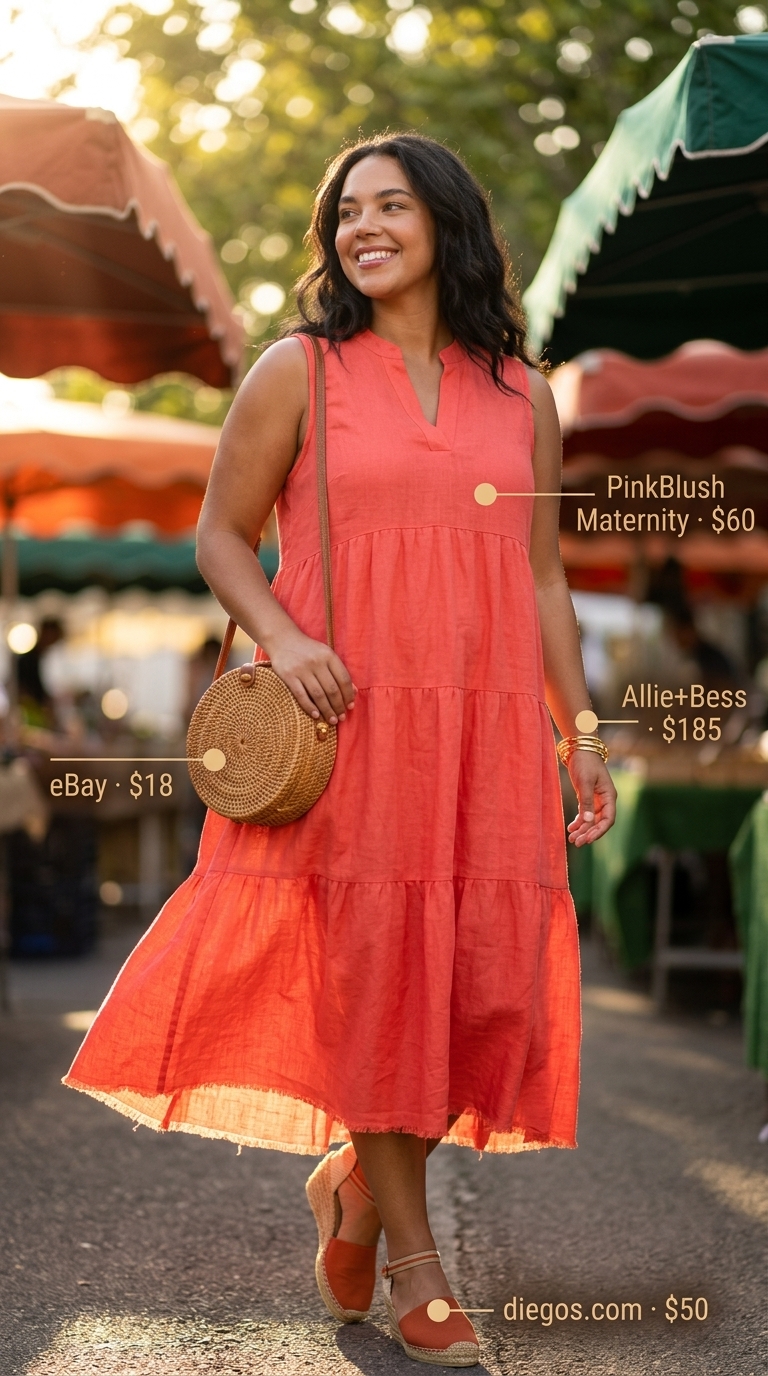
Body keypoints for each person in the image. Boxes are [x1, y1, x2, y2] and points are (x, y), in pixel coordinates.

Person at [65, 133, 616, 1367]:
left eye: (391, 205)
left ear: (448, 222)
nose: (363, 227)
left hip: (481, 733)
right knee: (377, 979)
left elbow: (541, 580)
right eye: (345, 213)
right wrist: (280, 631)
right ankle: (420, 1264)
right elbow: (217, 536)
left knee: (475, 983)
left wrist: (578, 734)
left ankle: (356, 1189)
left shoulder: (522, 395)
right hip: (346, 722)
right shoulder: (297, 371)